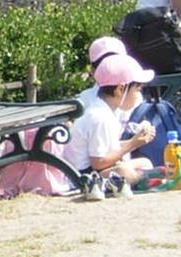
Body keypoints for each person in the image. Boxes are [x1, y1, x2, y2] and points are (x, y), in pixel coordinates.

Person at [61, 53, 156, 199]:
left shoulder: (104, 110)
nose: (138, 96)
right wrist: (133, 143)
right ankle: (147, 179)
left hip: (94, 168)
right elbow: (98, 162)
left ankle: (144, 178)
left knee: (145, 162)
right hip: (83, 176)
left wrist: (137, 141)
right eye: (137, 90)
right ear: (120, 89)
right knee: (125, 172)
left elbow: (108, 148)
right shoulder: (100, 117)